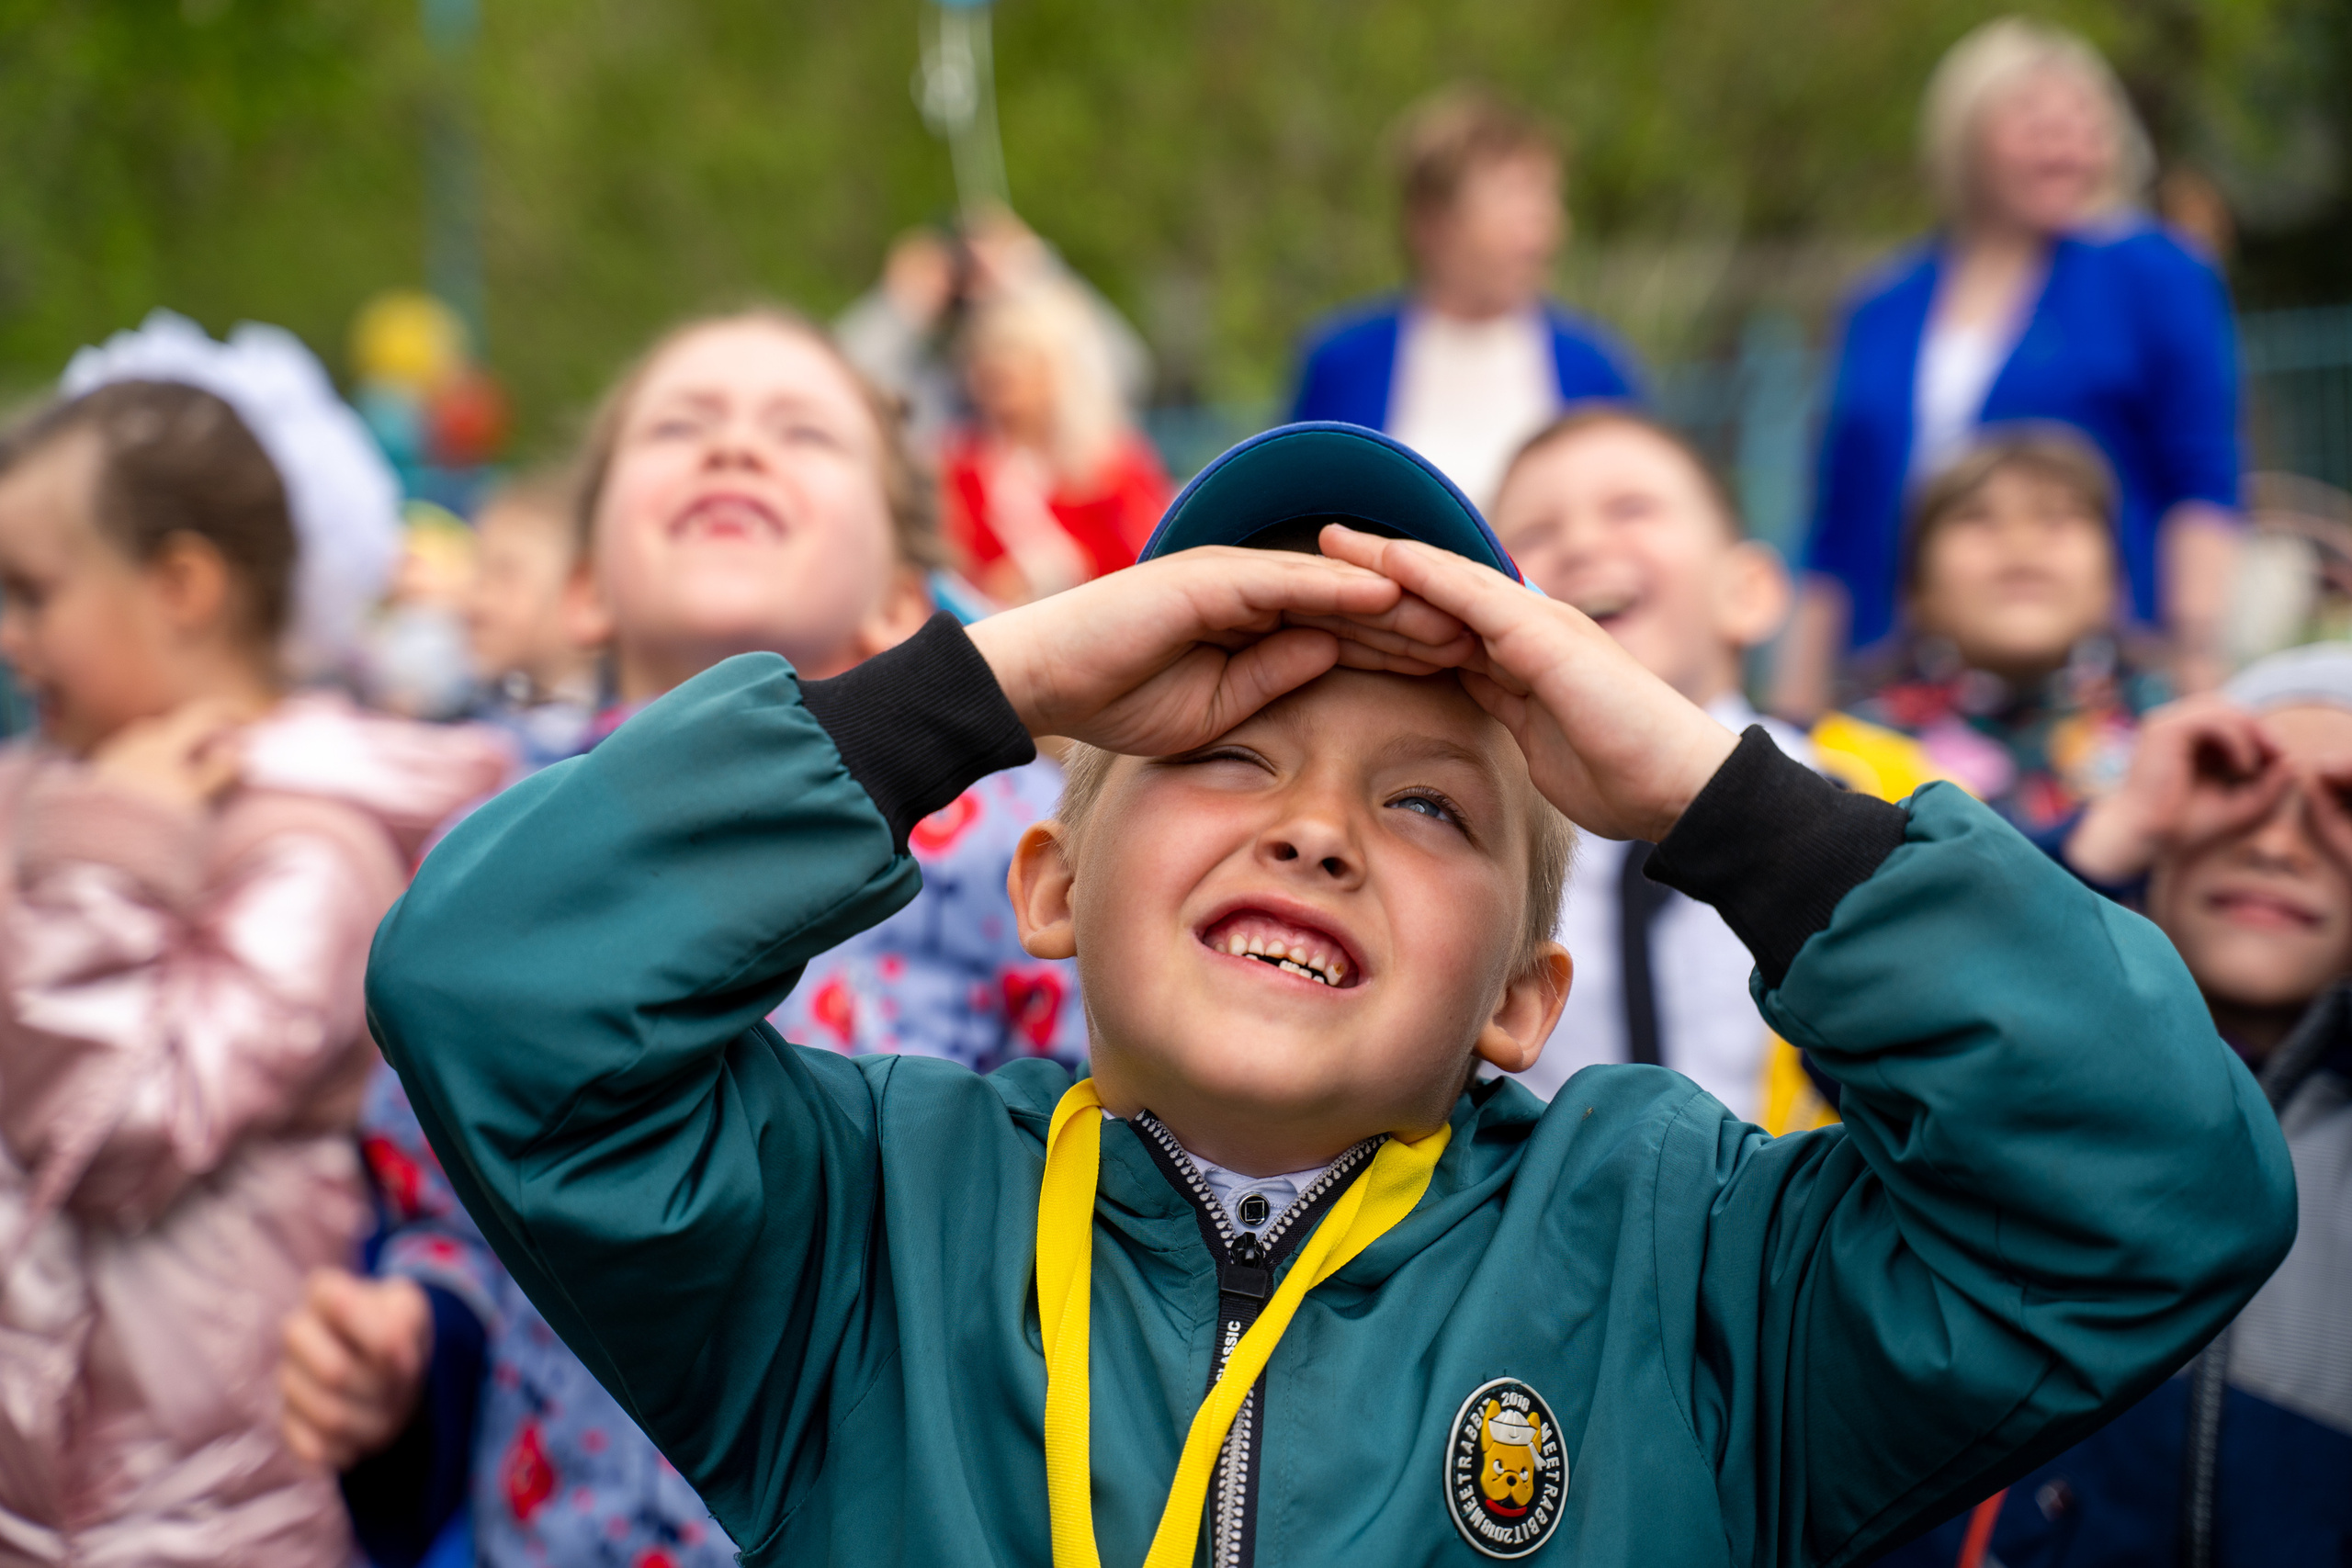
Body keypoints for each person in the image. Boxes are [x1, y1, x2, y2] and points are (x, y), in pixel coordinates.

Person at [365, 420, 2292, 1567]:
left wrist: (1719, 799)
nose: (1313, 829)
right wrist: (991, 686)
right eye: (1222, 756)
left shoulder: (1693, 1266)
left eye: (1429, 803)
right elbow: (495, 987)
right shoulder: (858, 1233)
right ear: (1048, 881)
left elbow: (2161, 1189)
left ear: (1522, 999)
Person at [280, 307, 1084, 1568]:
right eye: (681, 426)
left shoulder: (1011, 841)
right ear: (584, 588)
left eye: (800, 431)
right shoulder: (494, 853)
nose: (734, 448)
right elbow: (447, 1208)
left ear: (899, 601)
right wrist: (413, 1350)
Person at [0, 355, 503, 1564]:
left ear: (181, 584)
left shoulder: (313, 849)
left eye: (32, 592)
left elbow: (117, 1135)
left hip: (201, 1523)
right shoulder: (49, 801)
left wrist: (110, 851)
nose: (9, 637)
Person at [1887, 643, 2352, 1566]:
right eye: (2233, 781)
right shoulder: (2031, 1068)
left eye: (2344, 807)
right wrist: (2106, 838)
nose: (2274, 842)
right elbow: (1889, 1016)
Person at [1781, 17, 2242, 717]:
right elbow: (1837, 520)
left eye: (2085, 119)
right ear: (1966, 134)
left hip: (2088, 675)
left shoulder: (2155, 274)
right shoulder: (1882, 304)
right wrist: (1797, 694)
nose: (2064, 139)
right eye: (2033, 119)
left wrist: (2195, 652)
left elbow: (2201, 477)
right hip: (1893, 674)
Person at [1487, 410, 1805, 1122]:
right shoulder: (1481, 829)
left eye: (1632, 509)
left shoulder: (1881, 787)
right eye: (1533, 533)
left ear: (1747, 590)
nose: (1582, 544)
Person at [1288, 85, 1642, 510]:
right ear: (1433, 223)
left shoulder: (1595, 368)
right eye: (1512, 198)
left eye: (1547, 198)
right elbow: (1296, 507)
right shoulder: (1343, 364)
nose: (1543, 226)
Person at [1845, 429, 2167, 852]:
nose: (2021, 544)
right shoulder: (1848, 757)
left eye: (2057, 518)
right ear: (1916, 587)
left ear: (2116, 582)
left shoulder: (2169, 741)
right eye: (1978, 519)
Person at [941, 278, 1173, 605]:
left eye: (1015, 354)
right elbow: (951, 576)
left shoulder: (1112, 462)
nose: (996, 367)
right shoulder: (963, 466)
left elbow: (1156, 562)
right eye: (987, 355)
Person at [459, 468, 600, 770]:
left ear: (587, 594)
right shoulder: (475, 710)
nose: (475, 601)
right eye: (478, 575)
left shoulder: (597, 744)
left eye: (505, 575)